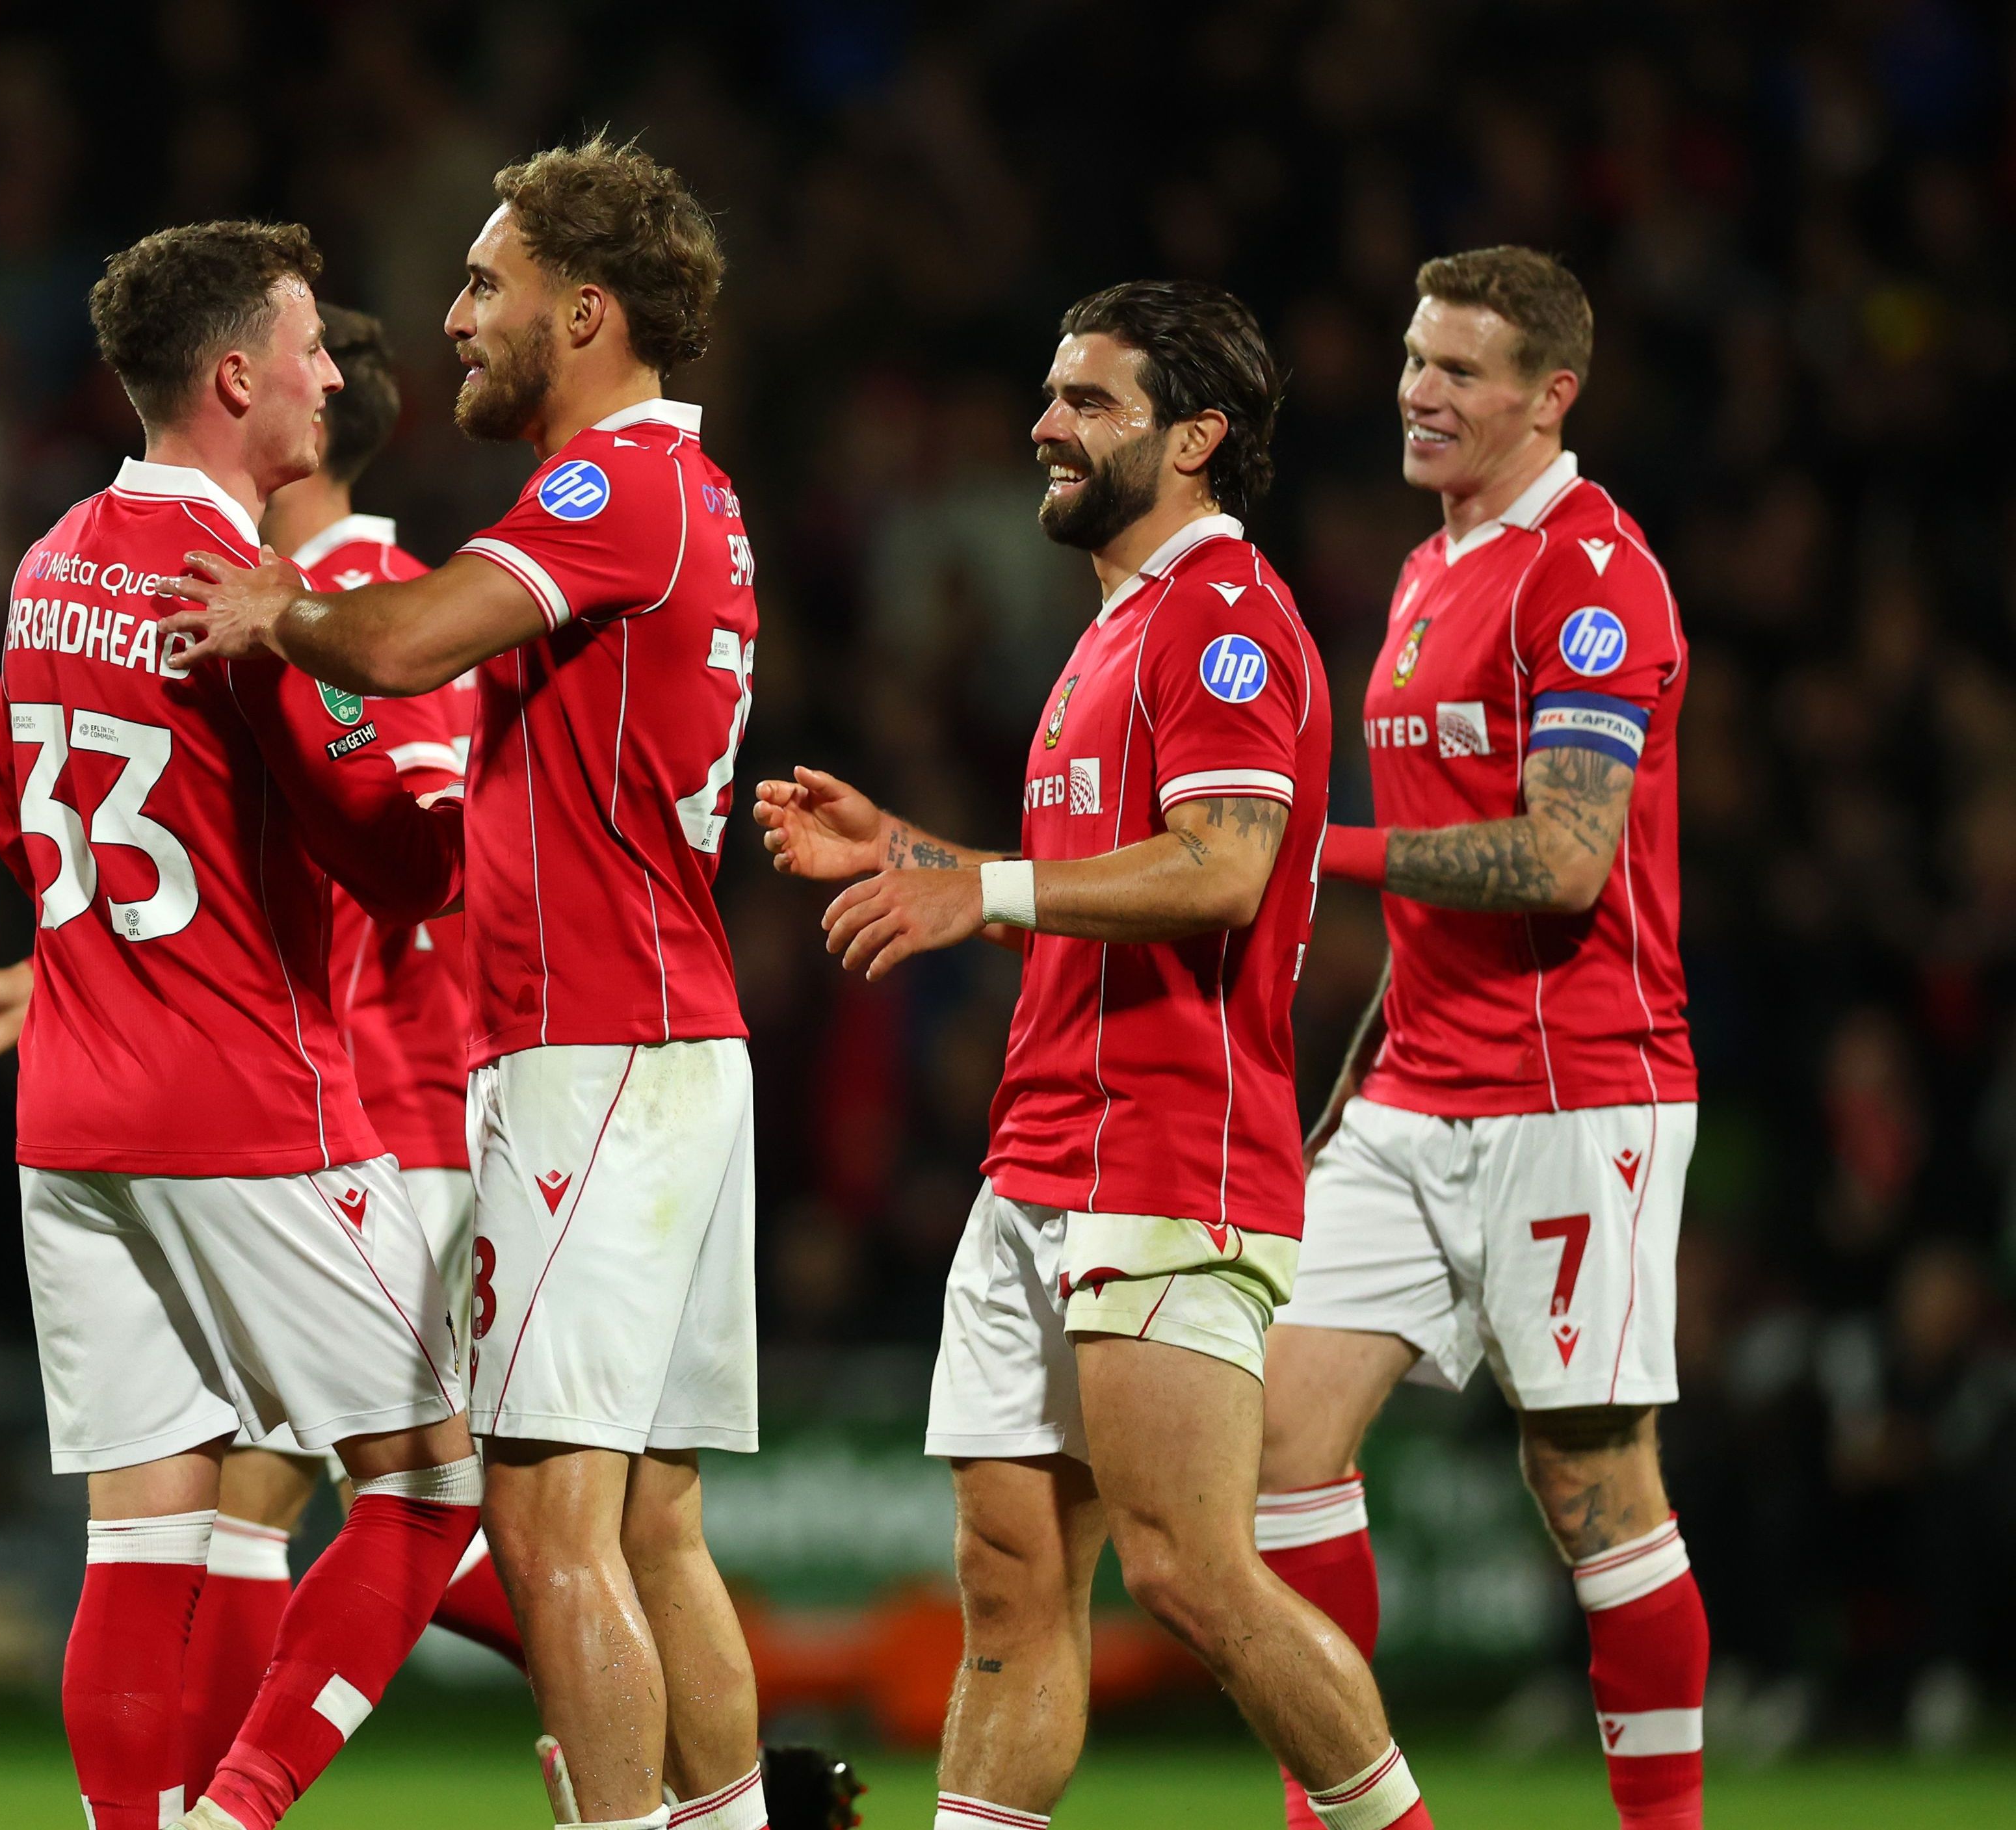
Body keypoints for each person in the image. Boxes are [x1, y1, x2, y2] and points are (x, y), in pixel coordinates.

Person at [752, 282, 1435, 1830]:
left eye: (1092, 402)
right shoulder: (1115, 634)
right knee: (1008, 1586)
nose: (1045, 426)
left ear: (1196, 438)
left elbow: (1224, 867)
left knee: (1194, 1573)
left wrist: (970, 883)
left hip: (1168, 1149)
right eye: (1052, 394)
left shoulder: (1229, 623)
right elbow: (1090, 903)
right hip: (1039, 1154)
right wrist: (911, 852)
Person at [157, 138, 769, 1830]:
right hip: (666, 1047)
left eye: (486, 286)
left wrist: (275, 613)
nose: (453, 320)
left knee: (546, 1526)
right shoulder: (689, 494)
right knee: (648, 1525)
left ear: (586, 310)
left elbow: (408, 643)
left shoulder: (614, 481)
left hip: (598, 1060)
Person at [0, 303, 523, 1801]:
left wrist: (48, 988)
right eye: (311, 346)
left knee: (164, 1531)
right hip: (312, 1115)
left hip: (83, 1110)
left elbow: (44, 838)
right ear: (242, 379)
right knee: (430, 1494)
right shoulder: (325, 600)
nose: (330, 374)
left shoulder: (46, 561)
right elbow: (407, 869)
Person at [1257, 248, 1703, 1830]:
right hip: (1416, 1089)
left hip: (1578, 1092)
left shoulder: (1593, 576)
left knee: (1591, 1490)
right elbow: (1440, 881)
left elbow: (1565, 859)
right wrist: (1351, 1080)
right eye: (1413, 358)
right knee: (1276, 1441)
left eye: (1461, 371)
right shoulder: (1433, 566)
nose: (1419, 392)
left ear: (1549, 397)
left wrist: (1319, 850)